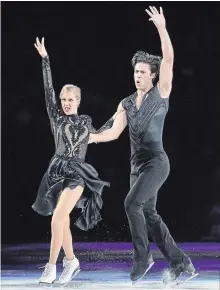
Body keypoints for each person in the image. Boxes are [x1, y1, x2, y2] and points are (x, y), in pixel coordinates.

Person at [89, 6, 198, 286]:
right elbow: (112, 132)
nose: (137, 75)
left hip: (157, 163)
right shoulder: (125, 103)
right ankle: (181, 262)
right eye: (135, 71)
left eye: (142, 72)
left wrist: (161, 27)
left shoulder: (161, 92)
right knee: (148, 214)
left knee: (131, 203)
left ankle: (142, 258)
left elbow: (170, 58)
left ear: (152, 75)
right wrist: (90, 137)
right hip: (136, 167)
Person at [32, 37, 114, 286]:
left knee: (57, 217)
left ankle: (50, 267)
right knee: (61, 219)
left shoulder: (86, 121)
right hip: (56, 171)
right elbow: (47, 90)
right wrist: (45, 60)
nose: (66, 103)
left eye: (70, 100)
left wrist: (123, 111)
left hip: (77, 173)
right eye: (63, 99)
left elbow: (105, 131)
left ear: (78, 101)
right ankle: (71, 260)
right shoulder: (55, 117)